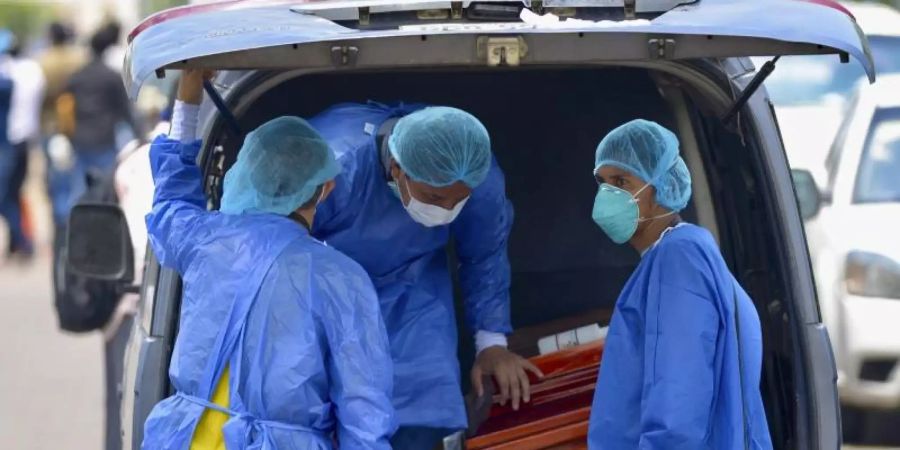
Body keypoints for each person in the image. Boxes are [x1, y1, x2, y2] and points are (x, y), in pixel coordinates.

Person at [142, 70, 396, 450]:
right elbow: (365, 414)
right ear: (325, 189)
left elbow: (170, 201)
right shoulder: (342, 277)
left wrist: (189, 90)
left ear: (246, 173)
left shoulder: (204, 240)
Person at [307, 102, 541, 448]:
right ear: (397, 168)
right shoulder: (335, 167)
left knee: (422, 411)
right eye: (434, 197)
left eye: (457, 201)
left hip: (415, 291)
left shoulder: (478, 176)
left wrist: (490, 346)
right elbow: (278, 249)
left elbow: (484, 254)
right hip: (325, 291)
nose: (446, 211)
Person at [586, 120, 773, 449]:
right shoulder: (670, 256)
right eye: (602, 182)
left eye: (622, 181)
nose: (608, 194)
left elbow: (678, 401)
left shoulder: (679, 258)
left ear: (661, 187)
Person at [61, 27, 142, 217]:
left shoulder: (77, 76)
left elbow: (66, 106)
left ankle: (76, 229)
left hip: (80, 139)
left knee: (79, 190)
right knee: (106, 189)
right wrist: (140, 135)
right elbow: (125, 110)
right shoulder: (110, 76)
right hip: (105, 139)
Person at [0, 31, 45, 259]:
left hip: (7, 144)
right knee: (12, 194)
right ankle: (16, 244)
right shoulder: (30, 71)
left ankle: (23, 242)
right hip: (21, 141)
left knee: (4, 196)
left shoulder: (8, 79)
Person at [37, 22, 84, 228]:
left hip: (50, 126)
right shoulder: (79, 58)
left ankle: (59, 224)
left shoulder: (43, 61)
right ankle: (73, 223)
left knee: (56, 181)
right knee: (75, 177)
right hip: (76, 125)